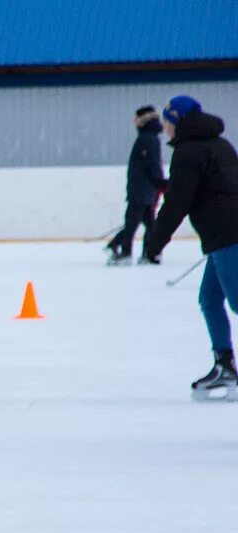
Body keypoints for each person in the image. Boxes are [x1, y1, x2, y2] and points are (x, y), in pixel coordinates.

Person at [143, 96, 238, 401]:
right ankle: (224, 365)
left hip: (228, 235)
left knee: (236, 302)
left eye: (168, 121)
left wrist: (155, 242)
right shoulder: (221, 145)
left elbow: (176, 202)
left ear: (177, 121)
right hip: (221, 236)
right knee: (209, 298)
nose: (165, 128)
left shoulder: (188, 152)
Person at [107, 106, 168, 266]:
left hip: (141, 189)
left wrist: (159, 182)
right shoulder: (150, 137)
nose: (135, 123)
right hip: (145, 188)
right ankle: (150, 253)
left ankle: (127, 252)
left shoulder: (147, 138)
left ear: (144, 120)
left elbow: (151, 164)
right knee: (148, 223)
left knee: (132, 221)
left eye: (137, 119)